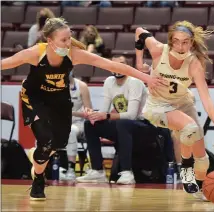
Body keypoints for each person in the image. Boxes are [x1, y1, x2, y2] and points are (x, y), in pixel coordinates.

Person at [1, 17, 165, 201]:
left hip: (59, 100)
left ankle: (36, 154)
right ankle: (38, 179)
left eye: (69, 38)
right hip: (35, 98)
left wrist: (147, 79)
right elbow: (4, 64)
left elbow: (113, 65)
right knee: (46, 141)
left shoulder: (74, 54)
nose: (68, 43)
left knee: (58, 144)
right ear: (50, 41)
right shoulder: (35, 53)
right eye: (63, 40)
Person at [134, 21, 214, 199]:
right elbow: (139, 31)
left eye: (185, 42)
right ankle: (185, 169)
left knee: (202, 160)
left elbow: (207, 99)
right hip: (157, 106)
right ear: (170, 41)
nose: (180, 46)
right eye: (176, 41)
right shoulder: (157, 50)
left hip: (183, 102)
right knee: (189, 128)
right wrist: (140, 63)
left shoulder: (194, 63)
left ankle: (201, 188)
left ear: (192, 43)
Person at [76, 55, 147, 184]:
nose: (117, 68)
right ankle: (97, 170)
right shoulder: (109, 81)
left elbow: (132, 115)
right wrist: (94, 115)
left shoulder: (135, 82)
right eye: (114, 65)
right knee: (90, 124)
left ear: (127, 66)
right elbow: (104, 111)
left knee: (123, 123)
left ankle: (127, 173)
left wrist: (106, 115)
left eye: (121, 64)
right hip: (124, 127)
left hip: (144, 127)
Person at [61, 73, 92, 181]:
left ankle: (71, 169)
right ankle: (45, 169)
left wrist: (71, 113)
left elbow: (89, 112)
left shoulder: (82, 86)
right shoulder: (51, 86)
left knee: (71, 131)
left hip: (77, 123)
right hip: (58, 123)